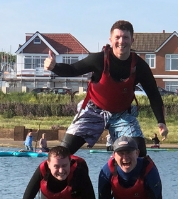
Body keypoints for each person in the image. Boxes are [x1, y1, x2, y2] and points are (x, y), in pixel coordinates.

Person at [44, 20, 168, 157]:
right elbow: (73, 69)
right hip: (93, 111)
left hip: (122, 115)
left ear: (132, 40)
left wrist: (161, 121)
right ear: (110, 40)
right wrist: (54, 67)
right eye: (117, 37)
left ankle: (125, 176)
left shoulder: (140, 66)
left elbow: (153, 94)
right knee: (62, 153)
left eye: (125, 37)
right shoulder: (98, 60)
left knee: (139, 152)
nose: (121, 41)